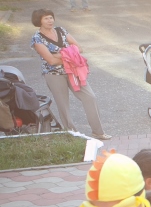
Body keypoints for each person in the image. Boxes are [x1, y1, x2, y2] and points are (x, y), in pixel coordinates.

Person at [30, 9, 109, 139]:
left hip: (73, 71)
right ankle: (73, 134)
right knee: (63, 105)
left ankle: (98, 131)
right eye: (46, 18)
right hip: (54, 74)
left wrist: (60, 55)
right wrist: (70, 54)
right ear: (39, 21)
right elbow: (51, 61)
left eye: (51, 17)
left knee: (90, 97)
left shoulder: (61, 30)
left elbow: (79, 48)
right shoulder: (37, 38)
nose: (50, 21)